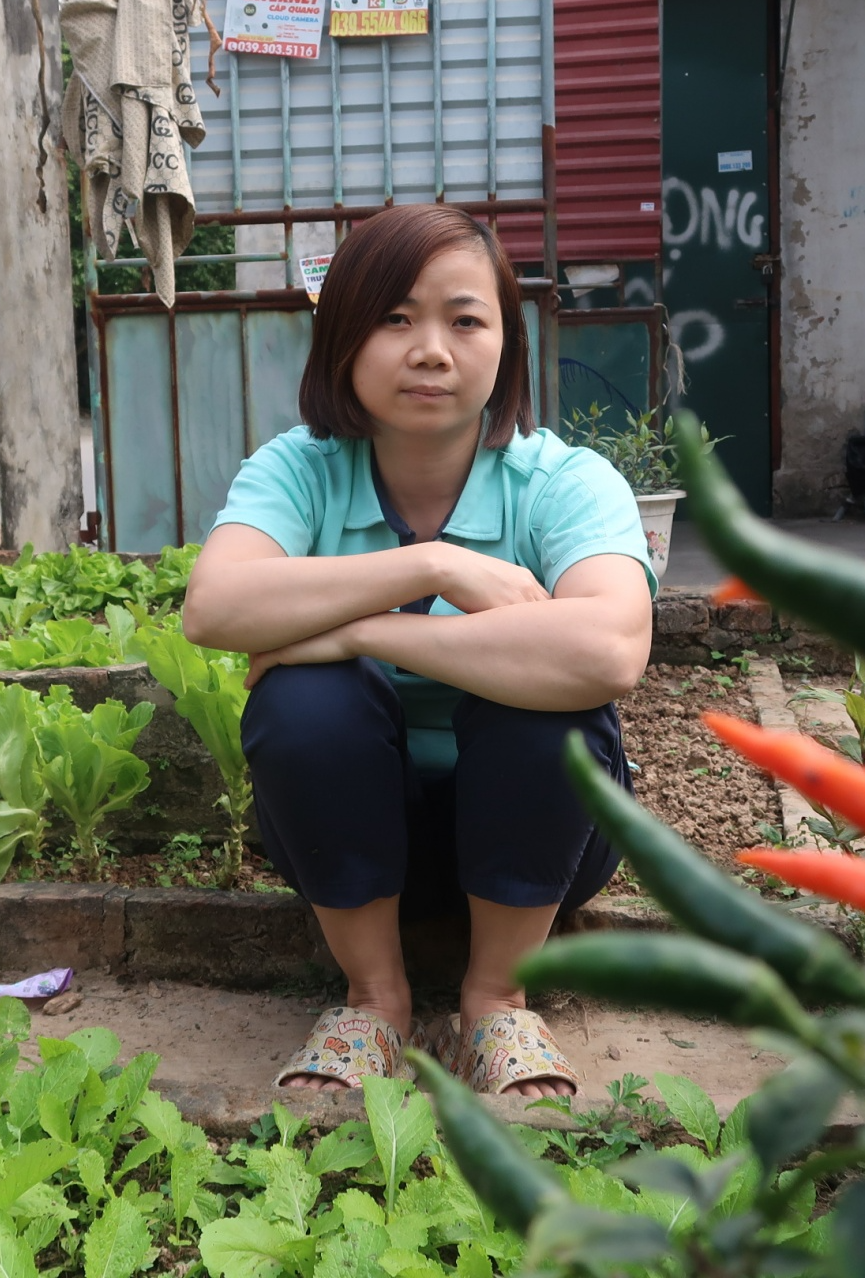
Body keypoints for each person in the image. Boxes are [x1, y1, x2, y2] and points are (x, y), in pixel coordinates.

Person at [182, 204, 656, 1098]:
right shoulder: (299, 469)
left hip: (545, 837)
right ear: (344, 342)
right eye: (395, 318)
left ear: (505, 345)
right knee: (305, 705)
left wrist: (363, 629)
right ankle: (374, 1001)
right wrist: (435, 564)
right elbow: (214, 605)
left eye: (464, 320)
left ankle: (496, 1004)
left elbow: (608, 651)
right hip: (347, 836)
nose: (431, 349)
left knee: (541, 705)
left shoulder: (565, 481)